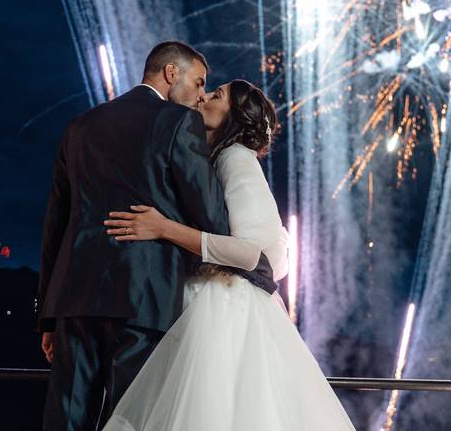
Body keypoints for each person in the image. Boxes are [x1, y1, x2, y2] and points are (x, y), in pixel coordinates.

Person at [35, 41, 274, 431]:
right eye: (198, 83)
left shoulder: (80, 125)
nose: (200, 95)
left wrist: (46, 316)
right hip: (145, 301)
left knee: (65, 423)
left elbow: (55, 224)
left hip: (73, 301)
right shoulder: (179, 123)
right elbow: (210, 216)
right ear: (170, 73)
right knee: (134, 420)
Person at [101, 79, 357, 431]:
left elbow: (251, 253)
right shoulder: (220, 157)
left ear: (234, 117)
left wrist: (164, 228)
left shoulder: (236, 158)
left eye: (217, 95)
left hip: (225, 313)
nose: (205, 96)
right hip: (219, 305)